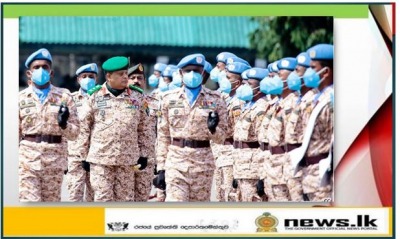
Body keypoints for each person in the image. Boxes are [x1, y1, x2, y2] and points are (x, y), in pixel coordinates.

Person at [156, 53, 228, 202]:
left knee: (198, 212)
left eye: (196, 70)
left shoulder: (216, 100)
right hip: (176, 161)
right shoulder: (168, 98)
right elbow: (163, 135)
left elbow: (222, 138)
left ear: (202, 73)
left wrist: (214, 129)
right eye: (188, 70)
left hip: (202, 163)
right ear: (181, 73)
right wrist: (161, 168)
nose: (192, 74)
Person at [79, 56, 152, 202]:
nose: (125, 77)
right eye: (121, 74)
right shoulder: (95, 96)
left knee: (124, 200)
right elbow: (84, 127)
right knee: (102, 199)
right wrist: (83, 156)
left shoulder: (137, 96)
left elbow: (144, 128)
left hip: (127, 160)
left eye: (126, 73)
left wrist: (144, 154)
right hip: (101, 160)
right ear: (109, 76)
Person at [19, 48, 80, 202]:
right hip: (28, 160)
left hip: (54, 161)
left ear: (51, 73)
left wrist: (64, 123)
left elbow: (75, 134)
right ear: (29, 73)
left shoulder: (64, 96)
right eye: (36, 67)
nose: (41, 70)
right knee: (29, 203)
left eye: (45, 67)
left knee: (50, 207)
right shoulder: (20, 99)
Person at [264, 57, 302, 201]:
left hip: (288, 168)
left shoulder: (295, 103)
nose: (274, 79)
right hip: (274, 168)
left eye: (279, 76)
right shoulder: (280, 103)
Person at [300, 44, 334, 201]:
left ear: (325, 72)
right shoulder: (318, 97)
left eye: (313, 68)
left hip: (325, 178)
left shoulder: (332, 100)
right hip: (310, 176)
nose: (308, 72)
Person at [214, 60, 250, 202]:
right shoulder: (226, 98)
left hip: (231, 154)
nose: (225, 80)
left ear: (238, 82)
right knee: (221, 194)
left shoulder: (239, 103)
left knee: (231, 195)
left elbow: (238, 132)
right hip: (221, 153)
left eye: (229, 78)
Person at [232, 67, 269, 202]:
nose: (245, 87)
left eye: (250, 84)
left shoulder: (262, 107)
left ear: (259, 88)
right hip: (241, 167)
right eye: (245, 83)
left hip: (253, 169)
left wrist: (262, 175)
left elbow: (265, 143)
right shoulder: (247, 105)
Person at [66, 63, 98, 202]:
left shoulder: (103, 99)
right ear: (78, 79)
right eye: (84, 76)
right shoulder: (70, 99)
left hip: (98, 155)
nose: (88, 79)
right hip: (75, 154)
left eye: (91, 76)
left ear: (96, 79)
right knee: (74, 194)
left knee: (95, 196)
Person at [127, 63, 157, 202]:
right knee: (123, 199)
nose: (136, 81)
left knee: (141, 199)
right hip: (124, 158)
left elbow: (162, 132)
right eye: (132, 77)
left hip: (148, 160)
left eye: (139, 78)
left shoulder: (155, 103)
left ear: (144, 81)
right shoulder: (120, 102)